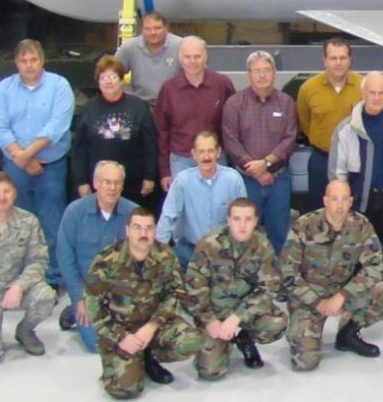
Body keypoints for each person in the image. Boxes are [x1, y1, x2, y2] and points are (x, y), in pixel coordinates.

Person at [84, 207, 203, 399]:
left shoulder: (165, 255)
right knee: (124, 390)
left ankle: (147, 357)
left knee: (193, 341)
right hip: (120, 330)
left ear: (155, 230)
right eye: (137, 227)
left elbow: (177, 294)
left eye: (149, 228)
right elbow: (93, 308)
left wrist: (152, 326)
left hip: (153, 326)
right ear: (127, 230)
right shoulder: (106, 260)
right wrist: (121, 337)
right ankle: (132, 360)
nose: (143, 233)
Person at [280, 179, 383, 371]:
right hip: (308, 298)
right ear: (325, 200)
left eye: (344, 199)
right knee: (305, 362)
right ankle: (305, 332)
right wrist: (318, 302)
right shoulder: (305, 225)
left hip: (343, 293)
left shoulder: (360, 225)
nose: (340, 205)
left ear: (351, 201)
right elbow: (288, 273)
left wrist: (342, 296)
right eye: (334, 199)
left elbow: (375, 266)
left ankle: (348, 333)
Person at [0, 39, 74, 288]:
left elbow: (57, 126)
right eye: (24, 60)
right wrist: (22, 157)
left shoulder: (59, 86)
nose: (29, 65)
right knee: (17, 222)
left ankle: (52, 278)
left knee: (52, 222)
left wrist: (27, 154)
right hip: (15, 166)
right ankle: (19, 279)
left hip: (51, 165)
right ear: (16, 62)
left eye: (33, 60)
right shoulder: (4, 89)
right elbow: (0, 127)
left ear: (42, 60)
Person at [329, 71, 383, 278]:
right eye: (372, 92)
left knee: (382, 248)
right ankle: (356, 291)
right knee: (356, 248)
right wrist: (344, 200)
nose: (377, 97)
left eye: (381, 93)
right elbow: (337, 170)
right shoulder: (346, 128)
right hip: (359, 198)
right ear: (363, 94)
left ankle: (381, 289)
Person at [185, 198, 288, 380]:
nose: (242, 225)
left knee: (276, 324)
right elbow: (194, 288)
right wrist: (209, 320)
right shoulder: (208, 245)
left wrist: (237, 318)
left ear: (255, 221)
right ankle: (225, 341)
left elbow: (269, 287)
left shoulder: (262, 245)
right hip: (215, 314)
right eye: (237, 219)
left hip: (244, 313)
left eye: (248, 219)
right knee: (210, 372)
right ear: (228, 220)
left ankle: (243, 336)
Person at [221, 50, 298, 255]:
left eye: (266, 70)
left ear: (274, 72)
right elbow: (231, 141)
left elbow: (290, 139)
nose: (262, 75)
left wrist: (265, 164)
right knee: (244, 233)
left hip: (278, 180)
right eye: (257, 71)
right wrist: (254, 169)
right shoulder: (234, 103)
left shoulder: (286, 102)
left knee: (278, 234)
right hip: (246, 181)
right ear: (249, 73)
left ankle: (275, 272)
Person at [56, 161, 138, 352]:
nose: (112, 188)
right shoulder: (74, 212)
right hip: (88, 291)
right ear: (95, 183)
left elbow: (144, 256)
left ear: (122, 186)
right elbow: (65, 259)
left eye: (117, 183)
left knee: (137, 336)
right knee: (98, 344)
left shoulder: (134, 213)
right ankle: (75, 309)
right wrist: (79, 297)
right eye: (107, 182)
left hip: (122, 290)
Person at [71, 55, 157, 208]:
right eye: (103, 78)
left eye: (112, 77)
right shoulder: (88, 110)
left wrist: (149, 176)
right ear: (98, 82)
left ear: (122, 80)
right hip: (99, 184)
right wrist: (81, 181)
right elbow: (79, 148)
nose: (108, 81)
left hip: (134, 183)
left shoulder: (140, 108)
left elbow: (150, 144)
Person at [154, 35, 235, 191]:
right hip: (181, 158)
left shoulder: (222, 84)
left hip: (215, 157)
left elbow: (232, 125)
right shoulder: (169, 89)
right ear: (180, 58)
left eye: (197, 56)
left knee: (219, 202)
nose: (192, 61)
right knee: (185, 204)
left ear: (206, 56)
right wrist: (164, 170)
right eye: (187, 57)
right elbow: (161, 132)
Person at [156, 131, 247, 268]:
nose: (206, 157)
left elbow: (244, 219)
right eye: (201, 152)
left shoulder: (233, 179)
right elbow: (168, 217)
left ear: (218, 152)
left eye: (210, 151)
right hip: (190, 252)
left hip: (225, 253)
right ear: (193, 154)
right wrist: (156, 252)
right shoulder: (182, 181)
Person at [296, 37, 362, 211]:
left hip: (354, 160)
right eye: (333, 58)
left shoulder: (363, 86)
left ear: (350, 60)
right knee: (318, 209)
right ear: (324, 61)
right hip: (321, 160)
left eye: (343, 58)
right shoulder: (308, 88)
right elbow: (305, 121)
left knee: (353, 210)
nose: (338, 63)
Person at [0, 171, 55, 362]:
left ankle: (25, 331)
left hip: (17, 285)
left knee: (46, 297)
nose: (2, 197)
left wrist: (18, 286)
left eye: (6, 191)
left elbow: (38, 260)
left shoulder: (28, 221)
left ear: (14, 193)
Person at [114, 11, 182, 107]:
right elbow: (111, 73)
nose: (153, 32)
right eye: (148, 29)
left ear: (166, 28)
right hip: (140, 105)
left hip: (174, 104)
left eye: (157, 28)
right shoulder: (129, 47)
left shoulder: (181, 45)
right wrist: (125, 96)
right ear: (141, 30)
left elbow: (195, 73)